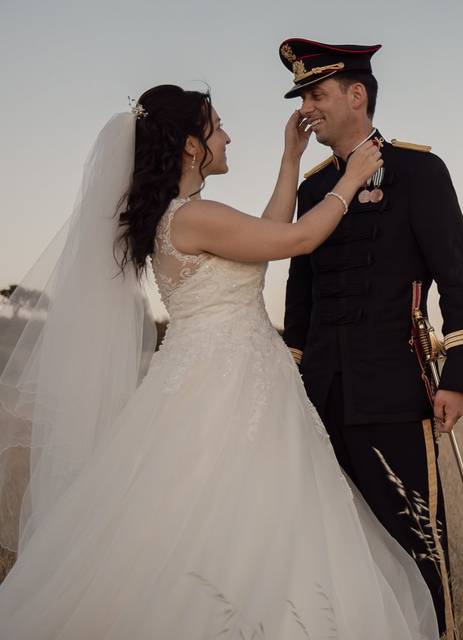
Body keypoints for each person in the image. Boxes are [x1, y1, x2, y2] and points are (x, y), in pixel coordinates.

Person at [0, 84, 438, 639]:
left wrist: (289, 161)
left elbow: (270, 235)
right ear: (190, 145)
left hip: (225, 375)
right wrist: (350, 182)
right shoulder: (192, 215)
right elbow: (299, 239)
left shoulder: (182, 217)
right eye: (218, 127)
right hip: (225, 385)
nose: (228, 136)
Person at [277, 39, 463, 639]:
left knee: (417, 540)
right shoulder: (314, 189)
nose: (307, 108)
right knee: (331, 541)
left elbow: (457, 277)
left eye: (317, 94)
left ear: (357, 94)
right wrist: (295, 380)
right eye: (304, 98)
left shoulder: (420, 171)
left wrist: (459, 378)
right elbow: (301, 298)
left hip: (394, 387)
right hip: (321, 393)